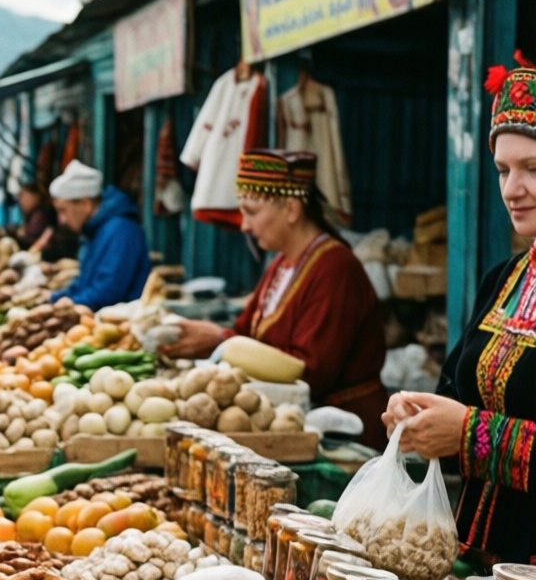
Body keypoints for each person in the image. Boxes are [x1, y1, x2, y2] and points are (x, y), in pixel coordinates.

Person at [385, 56, 536, 561]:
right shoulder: (504, 279)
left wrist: (470, 434)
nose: (512, 189)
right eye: (503, 170)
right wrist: (420, 419)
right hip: (472, 565)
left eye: (532, 169)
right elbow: (456, 394)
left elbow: (469, 427)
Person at [162, 149, 388, 443]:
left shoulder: (336, 269)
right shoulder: (282, 264)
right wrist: (211, 341)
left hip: (345, 433)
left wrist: (220, 341)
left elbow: (311, 373)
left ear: (291, 209)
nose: (244, 225)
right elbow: (245, 332)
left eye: (252, 212)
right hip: (289, 424)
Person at [47, 160, 150, 310]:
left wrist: (69, 304)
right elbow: (83, 283)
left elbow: (109, 292)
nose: (62, 220)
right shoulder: (94, 231)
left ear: (85, 204)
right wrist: (52, 298)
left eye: (63, 211)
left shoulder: (121, 230)